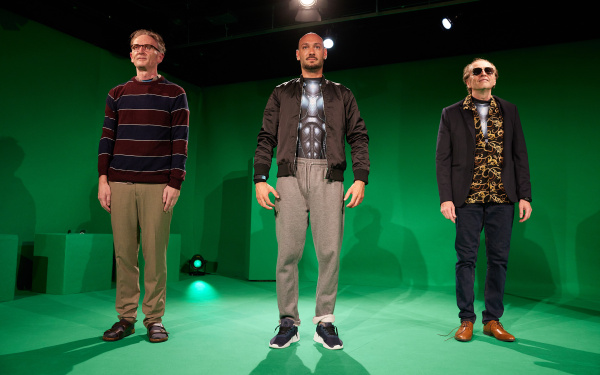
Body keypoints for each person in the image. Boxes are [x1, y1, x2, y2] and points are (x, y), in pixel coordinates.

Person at [253, 32, 370, 350]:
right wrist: (260, 178)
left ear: (325, 54)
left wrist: (360, 177)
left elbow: (358, 135)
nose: (311, 51)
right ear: (297, 54)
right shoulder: (281, 92)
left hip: (329, 177)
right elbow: (266, 135)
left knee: (329, 252)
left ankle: (325, 322)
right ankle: (288, 321)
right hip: (288, 177)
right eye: (305, 47)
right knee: (287, 252)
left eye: (317, 46)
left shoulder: (342, 93)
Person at [98, 29, 189, 343]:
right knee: (124, 255)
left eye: (147, 47)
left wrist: (175, 182)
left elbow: (180, 141)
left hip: (157, 185)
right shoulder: (117, 93)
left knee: (154, 255)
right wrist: (103, 180)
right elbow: (107, 139)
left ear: (159, 55)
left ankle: (154, 319)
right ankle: (125, 318)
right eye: (135, 45)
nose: (139, 50)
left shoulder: (175, 93)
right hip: (119, 182)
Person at [436, 58, 532, 342]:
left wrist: (524, 194)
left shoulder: (509, 110)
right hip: (467, 197)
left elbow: (520, 155)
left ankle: (493, 320)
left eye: (488, 70)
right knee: (466, 258)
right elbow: (443, 159)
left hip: (502, 197)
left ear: (495, 77)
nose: (483, 74)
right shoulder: (451, 113)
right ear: (468, 81)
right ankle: (466, 320)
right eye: (476, 71)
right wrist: (446, 198)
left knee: (498, 259)